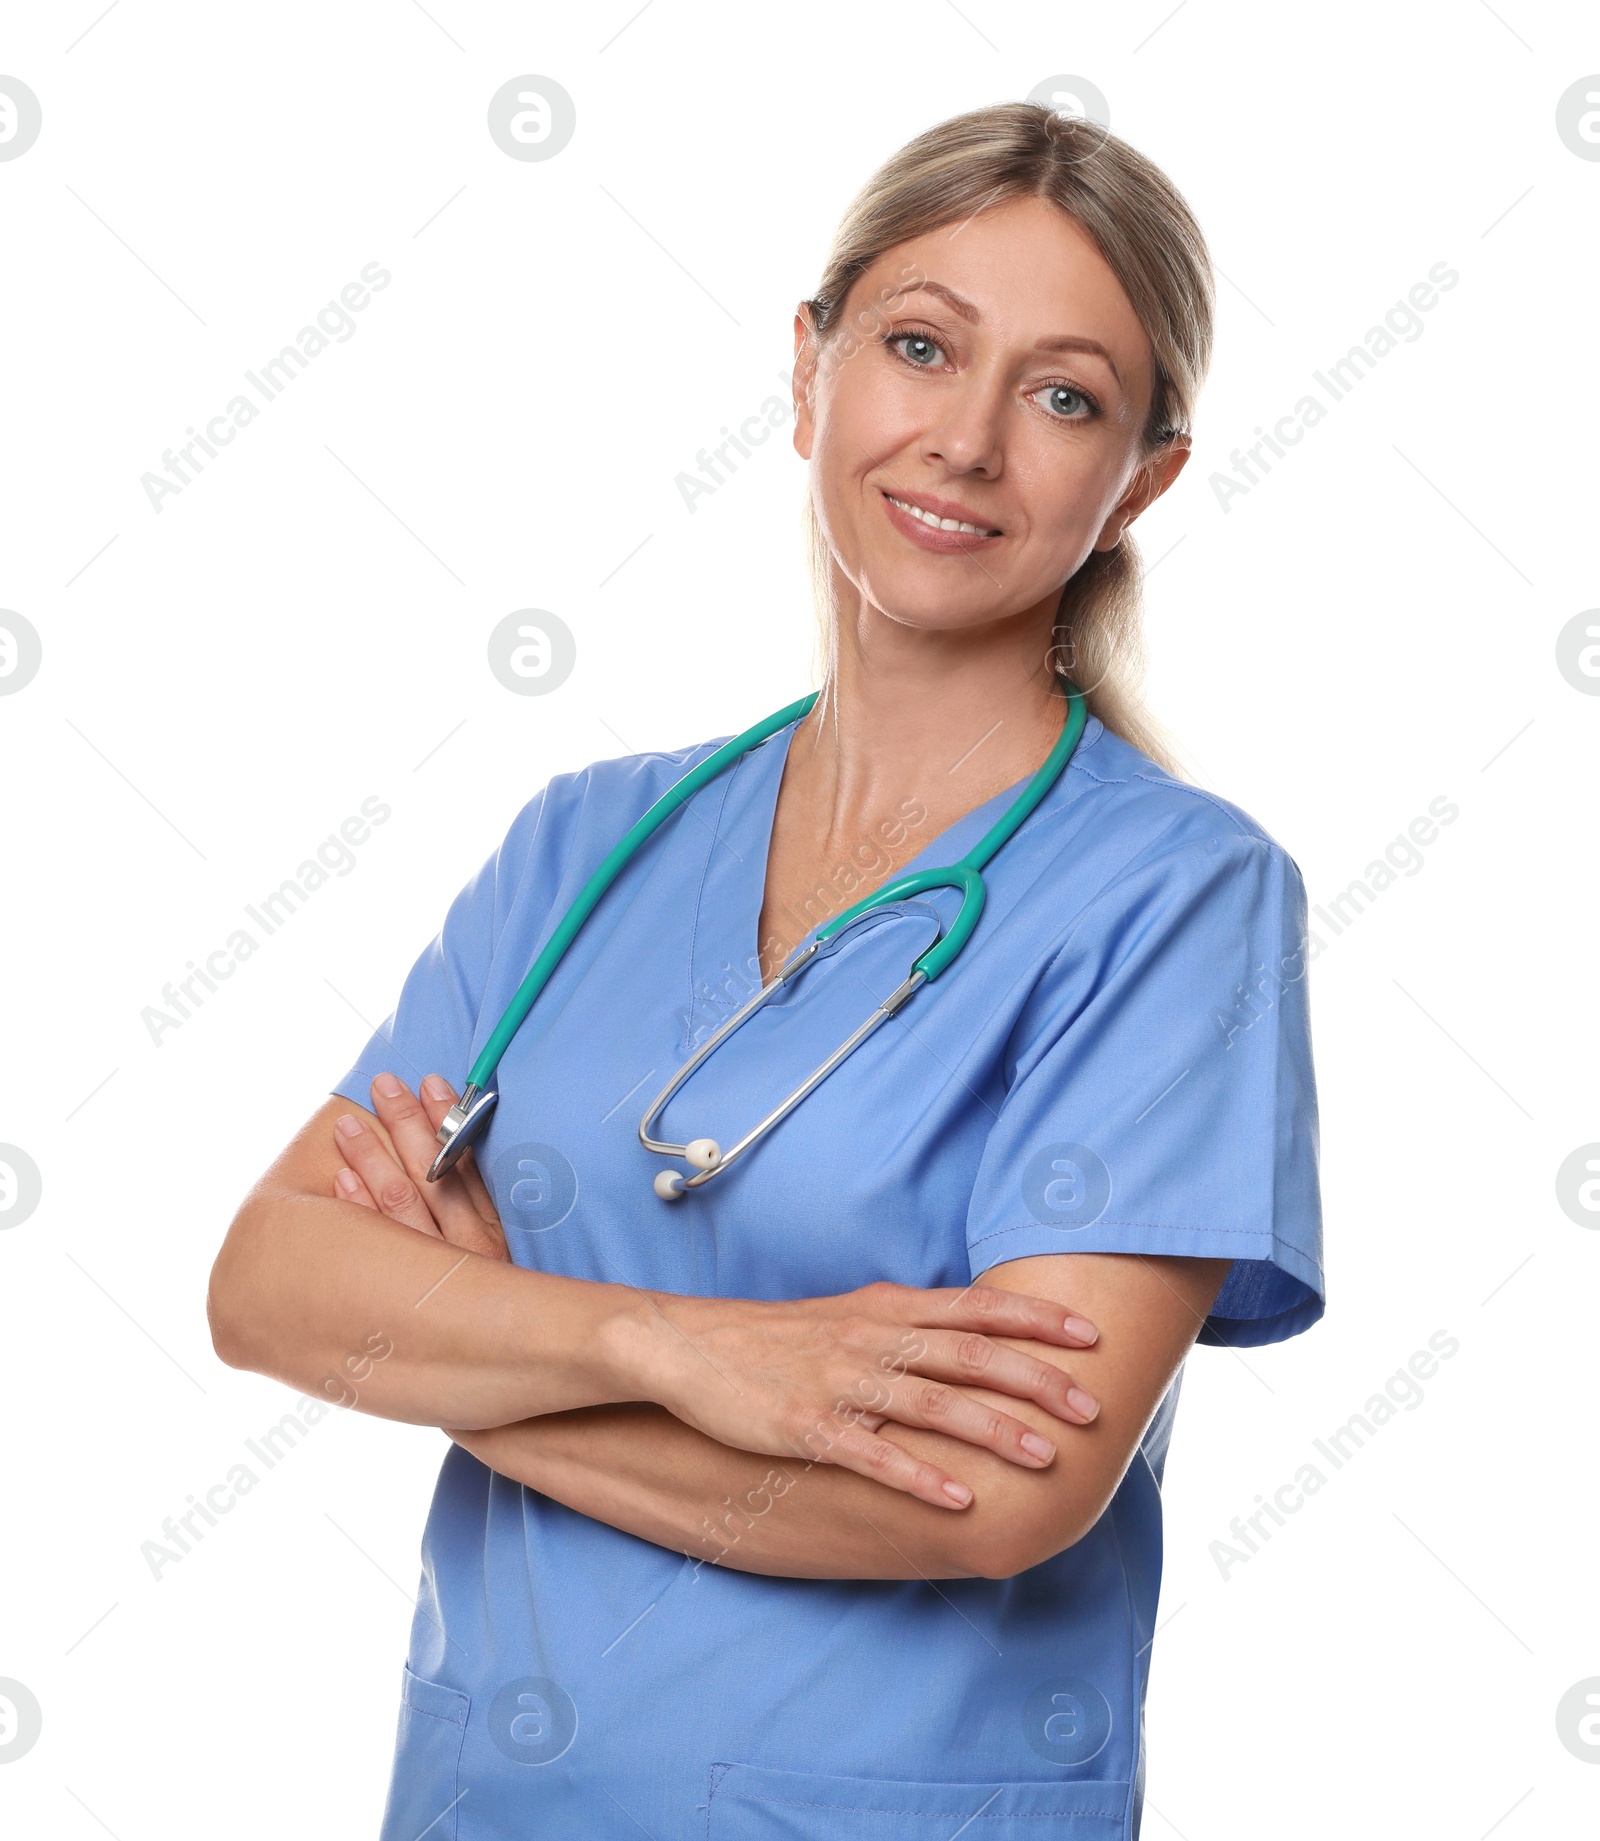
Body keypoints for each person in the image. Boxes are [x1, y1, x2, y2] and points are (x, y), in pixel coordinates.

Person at [208, 101, 1324, 1841]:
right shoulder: (589, 847)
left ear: (1143, 479)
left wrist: (479, 1374)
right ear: (808, 373)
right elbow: (269, 1286)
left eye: (1060, 395)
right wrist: (683, 1348)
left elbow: (991, 1493)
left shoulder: (1176, 901)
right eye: (916, 346)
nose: (962, 440)